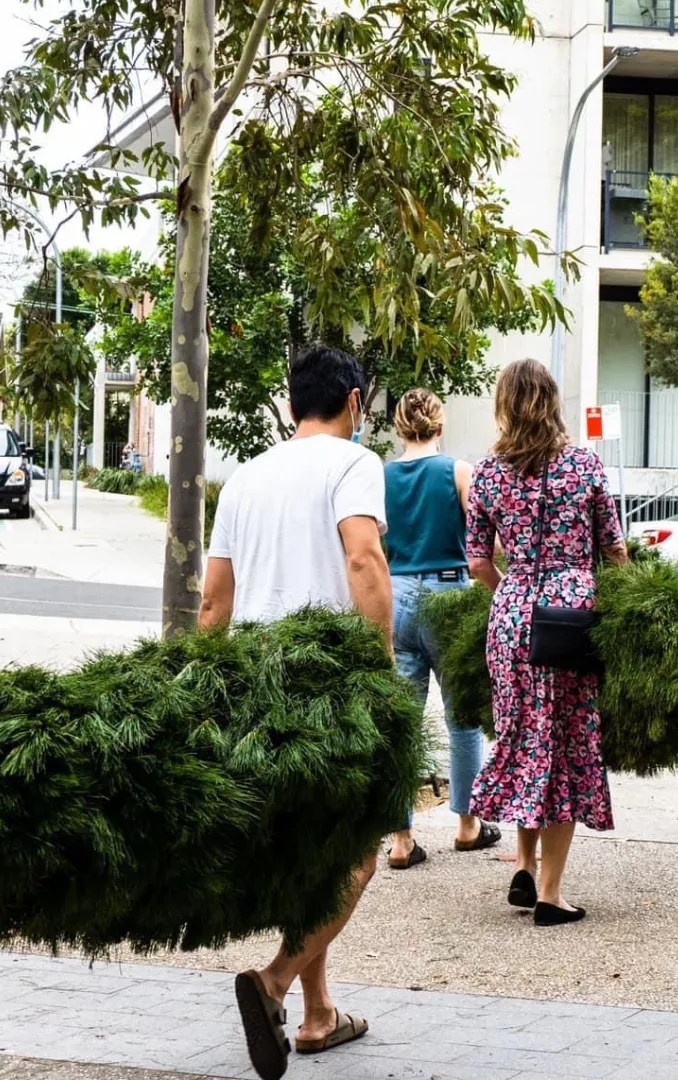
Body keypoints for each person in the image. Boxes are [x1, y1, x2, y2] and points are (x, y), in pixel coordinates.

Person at [202, 344, 390, 1080]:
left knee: (307, 850)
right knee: (358, 853)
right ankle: (275, 982)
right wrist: (379, 670)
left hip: (253, 687)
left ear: (289, 405)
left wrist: (199, 689)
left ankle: (318, 1014)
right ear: (353, 401)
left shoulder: (245, 477)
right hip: (329, 685)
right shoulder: (354, 464)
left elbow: (215, 598)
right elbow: (364, 561)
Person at [465, 359, 627, 927]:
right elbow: (615, 548)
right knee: (565, 745)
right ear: (552, 401)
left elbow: (478, 560)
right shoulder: (584, 466)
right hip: (571, 617)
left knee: (523, 738)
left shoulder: (487, 473)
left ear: (505, 404)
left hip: (511, 617)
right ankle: (551, 895)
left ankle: (526, 867)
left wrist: (512, 589)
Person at [382, 389, 498, 870]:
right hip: (450, 594)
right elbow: (485, 535)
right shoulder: (458, 472)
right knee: (462, 716)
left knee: (400, 723)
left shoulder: (380, 476)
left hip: (397, 593)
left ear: (398, 426)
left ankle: (401, 838)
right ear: (439, 425)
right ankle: (468, 826)